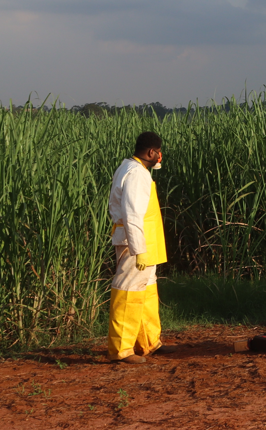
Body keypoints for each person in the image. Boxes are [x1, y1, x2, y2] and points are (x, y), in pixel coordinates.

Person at [106, 132, 168, 364]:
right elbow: (132, 214)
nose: (160, 156)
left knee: (146, 288)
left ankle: (149, 343)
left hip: (145, 240)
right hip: (135, 242)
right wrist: (138, 249)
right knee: (128, 291)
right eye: (159, 151)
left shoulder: (132, 168)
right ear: (151, 153)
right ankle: (121, 350)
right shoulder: (136, 175)